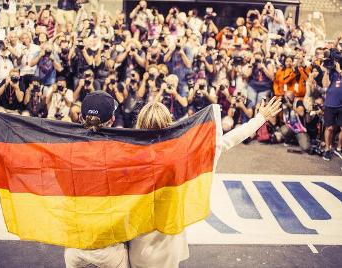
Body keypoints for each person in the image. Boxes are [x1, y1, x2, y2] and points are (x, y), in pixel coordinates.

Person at [128, 97, 282, 268]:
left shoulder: (126, 157)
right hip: (168, 246)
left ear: (140, 123)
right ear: (169, 124)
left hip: (137, 247)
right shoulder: (182, 156)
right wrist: (260, 118)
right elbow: (227, 141)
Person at [64, 90, 130, 268]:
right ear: (113, 120)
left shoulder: (65, 151)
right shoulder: (122, 155)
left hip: (75, 246)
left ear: (80, 118)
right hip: (109, 248)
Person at [321, 48, 342, 161]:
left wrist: (339, 71)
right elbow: (325, 84)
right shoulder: (332, 72)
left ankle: (339, 147)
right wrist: (328, 70)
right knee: (329, 128)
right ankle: (327, 149)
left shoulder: (338, 71)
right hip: (330, 104)